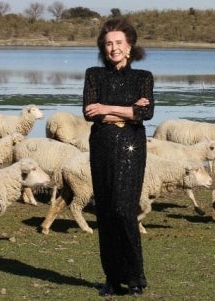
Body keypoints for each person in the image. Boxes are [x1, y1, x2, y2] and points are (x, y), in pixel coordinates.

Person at [83, 17, 154, 296]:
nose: (114, 48)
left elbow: (145, 114)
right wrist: (127, 109)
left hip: (131, 148)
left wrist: (107, 109)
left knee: (124, 210)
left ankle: (135, 275)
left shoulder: (143, 78)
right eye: (109, 43)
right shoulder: (94, 75)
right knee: (106, 212)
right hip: (101, 146)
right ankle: (112, 278)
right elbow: (88, 111)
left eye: (119, 43)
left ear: (130, 46)